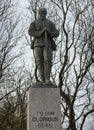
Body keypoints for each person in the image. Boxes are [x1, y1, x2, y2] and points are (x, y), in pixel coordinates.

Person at [28, 8, 59, 83]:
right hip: (37, 44)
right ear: (39, 13)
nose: (42, 15)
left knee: (48, 60)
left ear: (46, 14)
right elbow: (30, 32)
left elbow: (56, 33)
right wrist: (40, 33)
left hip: (47, 44)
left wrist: (50, 32)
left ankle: (47, 79)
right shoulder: (34, 23)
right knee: (39, 61)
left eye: (44, 13)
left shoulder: (50, 23)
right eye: (41, 13)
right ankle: (42, 79)